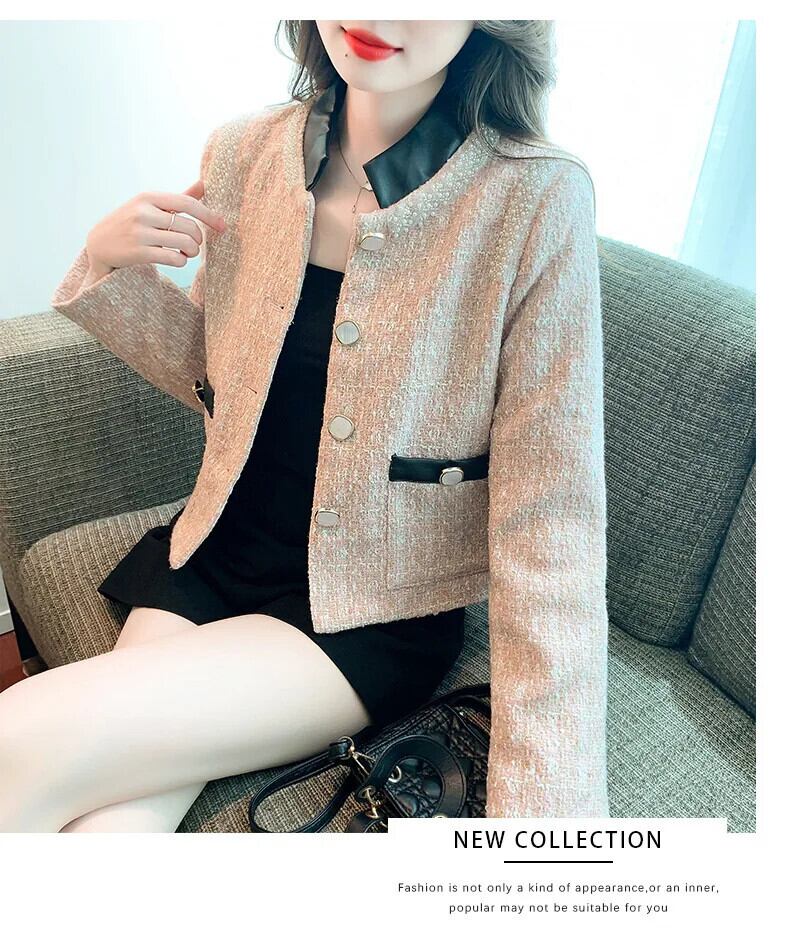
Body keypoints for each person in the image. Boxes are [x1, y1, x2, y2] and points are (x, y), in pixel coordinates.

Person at [0, 20, 610, 832]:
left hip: (364, 610)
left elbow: (552, 521)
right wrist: (110, 270)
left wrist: (547, 825)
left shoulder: (534, 199)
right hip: (213, 553)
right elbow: (223, 376)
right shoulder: (245, 153)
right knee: (109, 830)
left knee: (18, 738)